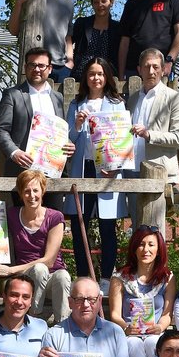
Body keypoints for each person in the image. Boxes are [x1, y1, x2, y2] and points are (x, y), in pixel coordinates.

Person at [63, 57, 124, 286]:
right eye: (91, 74)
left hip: (107, 169)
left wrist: (115, 166)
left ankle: (107, 278)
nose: (96, 78)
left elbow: (122, 139)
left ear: (106, 77)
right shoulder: (76, 104)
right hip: (83, 167)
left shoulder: (117, 104)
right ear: (85, 78)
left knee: (107, 225)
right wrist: (78, 125)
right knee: (80, 224)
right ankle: (83, 277)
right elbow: (68, 140)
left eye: (100, 73)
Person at [0, 46, 76, 210]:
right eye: (32, 65)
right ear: (25, 67)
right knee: (25, 221)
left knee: (53, 218)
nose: (37, 69)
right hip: (23, 171)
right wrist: (14, 152)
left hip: (52, 172)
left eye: (41, 65)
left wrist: (68, 144)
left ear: (50, 68)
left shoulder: (57, 98)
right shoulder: (12, 95)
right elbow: (2, 130)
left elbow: (59, 131)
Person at [0, 170, 71, 322]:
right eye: (27, 191)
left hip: (51, 277)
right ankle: (32, 319)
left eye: (35, 190)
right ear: (20, 194)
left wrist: (10, 270)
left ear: (43, 191)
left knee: (62, 275)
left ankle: (63, 325)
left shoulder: (55, 217)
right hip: (26, 278)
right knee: (39, 270)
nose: (32, 196)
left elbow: (49, 261)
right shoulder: (12, 215)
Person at [109, 225, 177, 357]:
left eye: (151, 245)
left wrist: (159, 327)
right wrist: (126, 328)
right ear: (134, 248)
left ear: (159, 249)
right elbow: (114, 314)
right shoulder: (120, 278)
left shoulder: (167, 278)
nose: (146, 249)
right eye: (141, 244)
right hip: (129, 334)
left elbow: (167, 314)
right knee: (134, 344)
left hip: (155, 333)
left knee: (153, 342)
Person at [125, 48, 179, 192]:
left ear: (163, 69)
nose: (151, 71)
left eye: (155, 67)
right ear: (139, 70)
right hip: (131, 171)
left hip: (159, 173)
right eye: (147, 67)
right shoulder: (133, 99)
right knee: (133, 208)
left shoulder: (174, 99)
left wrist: (149, 135)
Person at [7, 0, 75, 82]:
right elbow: (13, 30)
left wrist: (70, 61)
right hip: (36, 64)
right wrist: (19, 2)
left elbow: (68, 36)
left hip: (61, 67)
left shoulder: (69, 3)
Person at [70, 0, 121, 81]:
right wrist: (69, 60)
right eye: (96, 2)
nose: (100, 5)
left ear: (111, 2)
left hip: (106, 77)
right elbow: (68, 41)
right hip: (81, 76)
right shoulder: (82, 23)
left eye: (103, 1)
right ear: (92, 4)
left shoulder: (118, 28)